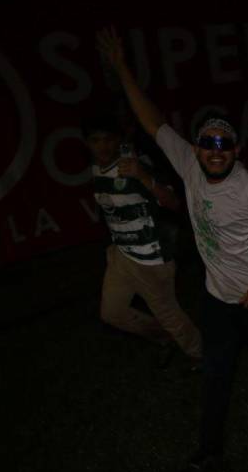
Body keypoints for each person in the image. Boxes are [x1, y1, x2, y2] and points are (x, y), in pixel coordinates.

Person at [98, 26, 248, 472]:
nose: (215, 150)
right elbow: (153, 122)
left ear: (235, 151)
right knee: (216, 373)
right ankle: (209, 450)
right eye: (208, 142)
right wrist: (121, 69)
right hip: (217, 301)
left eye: (223, 144)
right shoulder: (188, 165)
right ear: (196, 148)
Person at [84, 112, 202, 364]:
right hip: (121, 255)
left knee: (170, 314)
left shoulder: (135, 167)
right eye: (95, 140)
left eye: (108, 139)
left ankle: (202, 356)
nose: (102, 146)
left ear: (118, 140)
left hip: (151, 258)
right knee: (112, 313)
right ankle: (163, 337)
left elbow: (173, 203)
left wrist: (143, 177)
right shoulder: (96, 169)